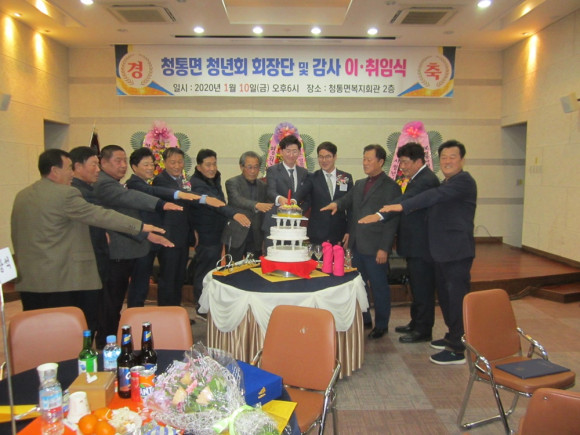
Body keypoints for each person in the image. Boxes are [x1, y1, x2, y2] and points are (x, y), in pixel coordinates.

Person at [10, 149, 163, 333]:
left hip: (31, 281)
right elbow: (100, 215)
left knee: (37, 333)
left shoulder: (22, 195)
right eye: (69, 168)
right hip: (62, 281)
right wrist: (140, 227)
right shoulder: (66, 194)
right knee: (70, 333)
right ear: (55, 171)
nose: (72, 173)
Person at [377, 140, 477, 365]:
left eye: (452, 157)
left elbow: (433, 197)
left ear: (462, 160)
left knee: (456, 300)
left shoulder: (463, 181)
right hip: (441, 251)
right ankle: (452, 336)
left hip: (456, 252)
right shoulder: (446, 182)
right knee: (446, 299)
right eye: (444, 157)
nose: (447, 161)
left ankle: (457, 349)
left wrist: (401, 206)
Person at [92, 144, 177, 347]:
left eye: (124, 160)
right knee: (111, 302)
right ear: (103, 163)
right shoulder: (104, 183)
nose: (123, 165)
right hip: (116, 253)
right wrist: (161, 203)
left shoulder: (114, 182)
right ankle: (106, 344)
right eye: (118, 161)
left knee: (117, 300)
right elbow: (129, 199)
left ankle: (114, 338)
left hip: (130, 248)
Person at [359, 143, 440, 343]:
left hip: (422, 246)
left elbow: (404, 202)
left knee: (423, 289)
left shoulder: (426, 180)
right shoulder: (417, 178)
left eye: (405, 162)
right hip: (414, 245)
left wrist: (379, 215)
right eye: (401, 162)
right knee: (416, 286)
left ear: (418, 161)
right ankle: (416, 322)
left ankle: (423, 330)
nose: (402, 167)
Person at [321, 144, 400, 339]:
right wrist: (336, 204)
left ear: (381, 162)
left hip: (375, 247)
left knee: (379, 287)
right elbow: (348, 202)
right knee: (358, 285)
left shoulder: (391, 187)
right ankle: (365, 319)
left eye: (369, 159)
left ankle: (381, 325)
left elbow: (392, 221)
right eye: (364, 159)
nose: (365, 163)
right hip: (357, 245)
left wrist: (384, 248)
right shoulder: (359, 183)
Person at [188, 149, 251, 308]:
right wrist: (234, 214)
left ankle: (209, 304)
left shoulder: (214, 178)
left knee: (212, 269)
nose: (212, 168)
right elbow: (217, 204)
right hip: (206, 234)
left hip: (217, 232)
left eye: (214, 164)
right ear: (199, 167)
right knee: (204, 272)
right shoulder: (197, 184)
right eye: (208, 165)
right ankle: (201, 307)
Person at [298, 141, 352, 245]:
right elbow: (307, 201)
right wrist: (295, 212)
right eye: (321, 157)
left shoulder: (345, 177)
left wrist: (349, 231)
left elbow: (350, 207)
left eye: (328, 157)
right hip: (317, 233)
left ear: (335, 157)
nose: (324, 160)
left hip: (339, 233)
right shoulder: (311, 178)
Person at [221, 151, 272, 261]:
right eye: (249, 167)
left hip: (256, 236)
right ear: (241, 167)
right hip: (236, 234)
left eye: (256, 167)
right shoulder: (232, 182)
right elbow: (236, 199)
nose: (253, 171)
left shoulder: (263, 186)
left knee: (253, 268)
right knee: (233, 268)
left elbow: (266, 209)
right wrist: (257, 205)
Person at [262, 135, 310, 247]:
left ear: (299, 152)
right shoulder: (272, 170)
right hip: (275, 223)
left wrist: (298, 210)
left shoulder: (304, 172)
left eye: (294, 151)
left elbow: (307, 196)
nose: (291, 155)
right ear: (281, 152)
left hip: (295, 225)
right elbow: (270, 191)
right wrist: (280, 199)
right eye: (288, 151)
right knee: (273, 254)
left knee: (292, 254)